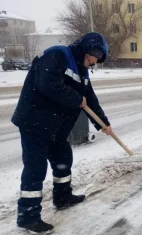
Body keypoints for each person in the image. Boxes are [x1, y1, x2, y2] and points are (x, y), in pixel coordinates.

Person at [11, 32, 113, 233]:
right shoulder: (57, 55)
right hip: (35, 122)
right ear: (88, 50)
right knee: (35, 168)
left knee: (63, 159)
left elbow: (90, 99)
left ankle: (63, 197)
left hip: (55, 126)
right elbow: (47, 84)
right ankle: (28, 216)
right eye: (95, 58)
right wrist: (76, 99)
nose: (94, 63)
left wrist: (103, 124)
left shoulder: (82, 70)